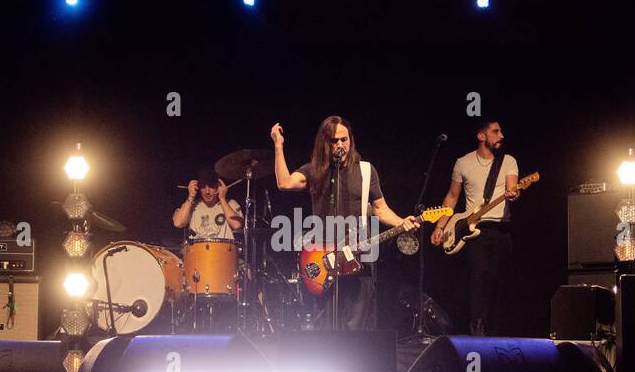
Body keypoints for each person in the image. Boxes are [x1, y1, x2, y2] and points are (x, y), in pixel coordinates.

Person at [271, 116, 418, 331]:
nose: (341, 145)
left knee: (354, 329)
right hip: (324, 260)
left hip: (357, 259)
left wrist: (402, 221)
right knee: (325, 330)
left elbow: (380, 209)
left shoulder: (366, 171)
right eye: (334, 141)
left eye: (344, 139)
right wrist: (278, 145)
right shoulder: (314, 170)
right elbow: (284, 183)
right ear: (325, 143)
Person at [430, 121, 520, 335]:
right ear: (481, 136)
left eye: (501, 131)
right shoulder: (463, 163)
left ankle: (498, 333)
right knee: (479, 279)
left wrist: (514, 193)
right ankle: (477, 329)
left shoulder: (507, 161)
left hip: (500, 230)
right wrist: (440, 226)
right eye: (496, 131)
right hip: (473, 231)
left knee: (499, 283)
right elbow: (452, 197)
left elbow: (513, 188)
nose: (501, 135)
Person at [173, 167, 242, 240]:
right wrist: (191, 196)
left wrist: (222, 199)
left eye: (211, 186)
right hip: (197, 250)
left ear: (218, 186)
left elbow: (236, 225)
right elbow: (178, 223)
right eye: (203, 187)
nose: (207, 192)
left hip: (222, 250)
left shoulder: (231, 203)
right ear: (198, 188)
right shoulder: (192, 205)